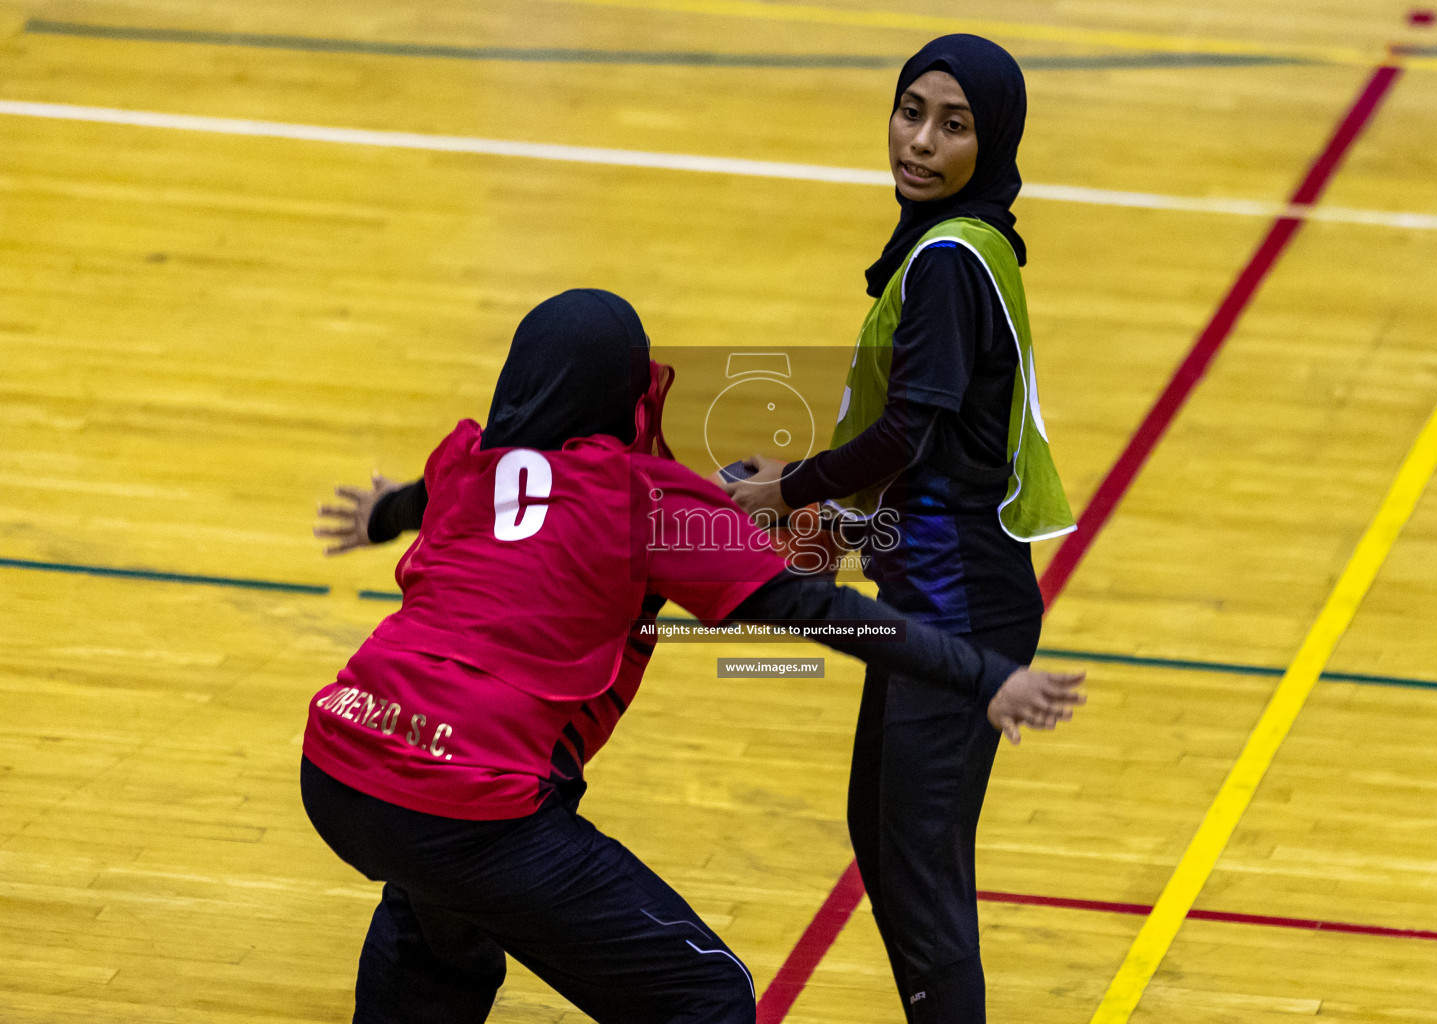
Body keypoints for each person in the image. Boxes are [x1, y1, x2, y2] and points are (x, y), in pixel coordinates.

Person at [304, 288, 1085, 1024]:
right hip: (468, 799)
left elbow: (426, 497)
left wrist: (380, 516)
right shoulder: (648, 500)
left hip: (339, 764)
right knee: (708, 996)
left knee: (440, 920)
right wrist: (985, 675)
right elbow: (823, 609)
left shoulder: (465, 464)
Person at [722, 35, 1075, 1023]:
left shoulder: (952, 262)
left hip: (962, 605)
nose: (920, 141)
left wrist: (791, 492)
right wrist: (832, 514)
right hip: (932, 590)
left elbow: (910, 428)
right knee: (885, 835)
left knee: (917, 869)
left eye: (953, 125)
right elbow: (928, 448)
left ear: (991, 138)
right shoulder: (956, 242)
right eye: (910, 110)